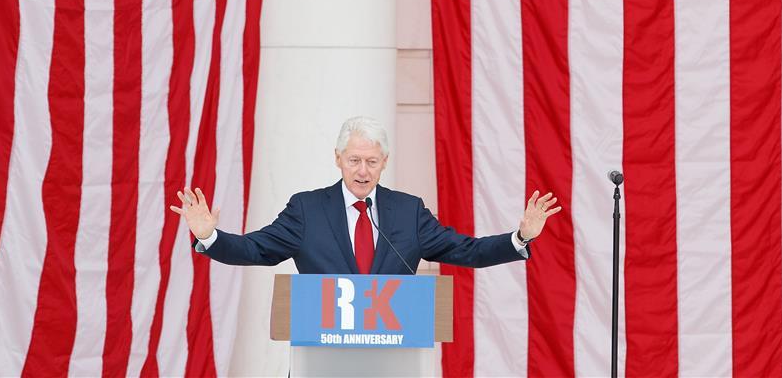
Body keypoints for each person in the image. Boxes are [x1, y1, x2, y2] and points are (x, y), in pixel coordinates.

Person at [170, 116, 561, 274]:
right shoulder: (306, 208)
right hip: (320, 357)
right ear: (338, 159)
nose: (362, 171)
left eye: (371, 162)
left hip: (389, 359)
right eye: (354, 160)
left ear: (384, 162)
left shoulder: (408, 211)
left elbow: (467, 251)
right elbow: (258, 250)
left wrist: (521, 237)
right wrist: (210, 237)